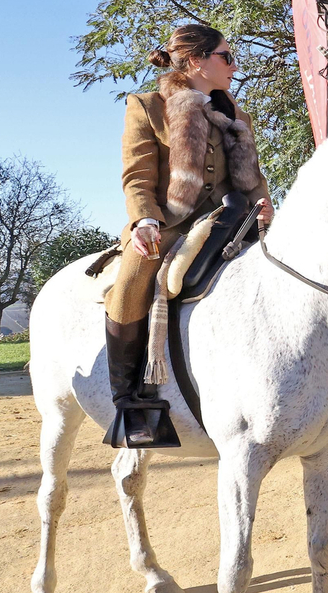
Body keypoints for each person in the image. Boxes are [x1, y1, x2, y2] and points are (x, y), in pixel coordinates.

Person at [111, 24, 272, 447]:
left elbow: (252, 177)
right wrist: (144, 220)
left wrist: (267, 205)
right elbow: (136, 178)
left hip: (232, 220)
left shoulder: (237, 115)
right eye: (227, 57)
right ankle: (131, 404)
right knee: (130, 281)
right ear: (197, 61)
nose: (235, 66)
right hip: (171, 224)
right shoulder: (146, 107)